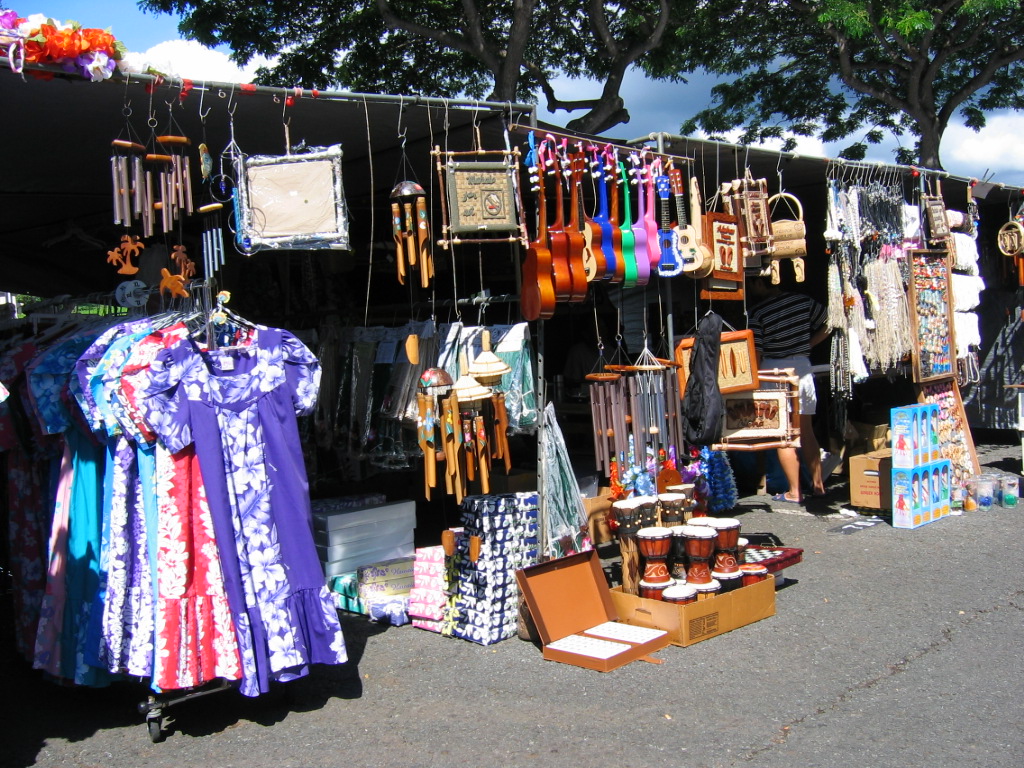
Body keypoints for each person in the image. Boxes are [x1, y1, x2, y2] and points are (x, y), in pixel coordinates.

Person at [745, 274, 831, 502]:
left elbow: (757, 351)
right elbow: (831, 322)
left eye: (752, 283)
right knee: (806, 431)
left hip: (774, 370)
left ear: (759, 282)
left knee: (784, 434)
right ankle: (818, 486)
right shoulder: (803, 301)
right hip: (802, 366)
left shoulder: (757, 313)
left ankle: (794, 492)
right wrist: (809, 344)